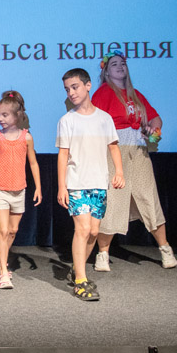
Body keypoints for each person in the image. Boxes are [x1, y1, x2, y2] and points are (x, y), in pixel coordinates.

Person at [91, 53, 176, 270]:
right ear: (106, 71)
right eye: (114, 64)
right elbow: (94, 124)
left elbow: (155, 118)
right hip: (114, 150)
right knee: (113, 199)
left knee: (148, 196)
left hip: (138, 150)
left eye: (123, 64)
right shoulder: (103, 94)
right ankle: (103, 253)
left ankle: (165, 248)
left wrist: (153, 131)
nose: (120, 67)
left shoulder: (135, 94)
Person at [57, 68, 123, 301]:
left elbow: (113, 146)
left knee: (94, 232)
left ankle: (77, 270)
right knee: (83, 229)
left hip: (99, 182)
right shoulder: (67, 120)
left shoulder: (104, 118)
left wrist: (119, 172)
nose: (71, 92)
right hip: (76, 182)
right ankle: (80, 281)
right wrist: (62, 186)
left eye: (75, 87)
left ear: (88, 86)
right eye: (67, 89)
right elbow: (63, 155)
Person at [0, 90, 42, 288]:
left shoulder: (26, 138)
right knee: (3, 230)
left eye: (5, 115)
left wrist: (38, 187)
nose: (0, 118)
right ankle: (3, 272)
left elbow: (33, 163)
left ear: (17, 115)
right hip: (0, 189)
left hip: (19, 190)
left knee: (13, 230)